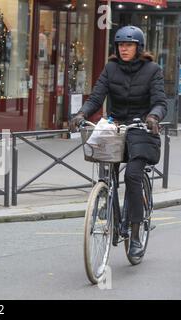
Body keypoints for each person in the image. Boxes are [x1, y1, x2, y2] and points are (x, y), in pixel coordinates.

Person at [70, 26, 167, 258]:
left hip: (141, 127)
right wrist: (82, 114)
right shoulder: (111, 68)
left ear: (139, 47)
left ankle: (134, 234)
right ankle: (106, 198)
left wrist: (153, 117)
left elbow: (160, 102)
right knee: (105, 164)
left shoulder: (153, 70)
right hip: (115, 125)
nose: (124, 49)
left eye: (129, 45)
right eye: (121, 45)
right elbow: (96, 97)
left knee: (132, 175)